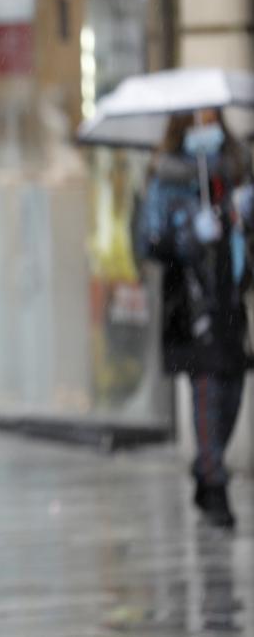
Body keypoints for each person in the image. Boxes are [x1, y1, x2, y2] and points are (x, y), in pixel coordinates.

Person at [137, 109, 252, 529]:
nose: (206, 125)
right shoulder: (166, 179)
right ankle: (216, 486)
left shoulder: (235, 171)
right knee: (208, 392)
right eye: (197, 118)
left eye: (211, 117)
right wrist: (189, 233)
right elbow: (150, 240)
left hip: (230, 301)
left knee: (234, 390)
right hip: (191, 302)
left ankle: (207, 470)